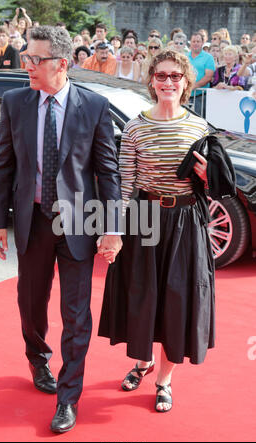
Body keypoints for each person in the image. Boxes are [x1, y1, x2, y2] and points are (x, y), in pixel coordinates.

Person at [0, 25, 122, 433]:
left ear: (62, 64)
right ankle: (37, 358)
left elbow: (107, 172)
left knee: (77, 315)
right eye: (26, 57)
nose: (26, 64)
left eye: (35, 59)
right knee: (31, 306)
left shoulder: (94, 107)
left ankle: (69, 397)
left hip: (79, 225)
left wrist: (113, 228)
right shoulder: (15, 102)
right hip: (32, 222)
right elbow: (2, 165)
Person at [98, 49, 215, 413]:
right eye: (161, 76)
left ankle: (164, 379)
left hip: (186, 222)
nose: (168, 82)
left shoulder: (200, 127)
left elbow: (213, 188)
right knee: (143, 296)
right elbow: (124, 185)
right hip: (144, 220)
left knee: (179, 300)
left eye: (175, 77)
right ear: (152, 80)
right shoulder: (135, 127)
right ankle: (142, 361)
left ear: (185, 83)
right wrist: (113, 231)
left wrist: (207, 177)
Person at [188, 32, 215, 116]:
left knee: (198, 121)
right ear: (190, 43)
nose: (195, 43)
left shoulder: (208, 57)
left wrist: (193, 86)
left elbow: (208, 77)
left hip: (201, 96)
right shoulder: (184, 56)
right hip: (185, 96)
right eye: (193, 41)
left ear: (202, 43)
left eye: (198, 41)